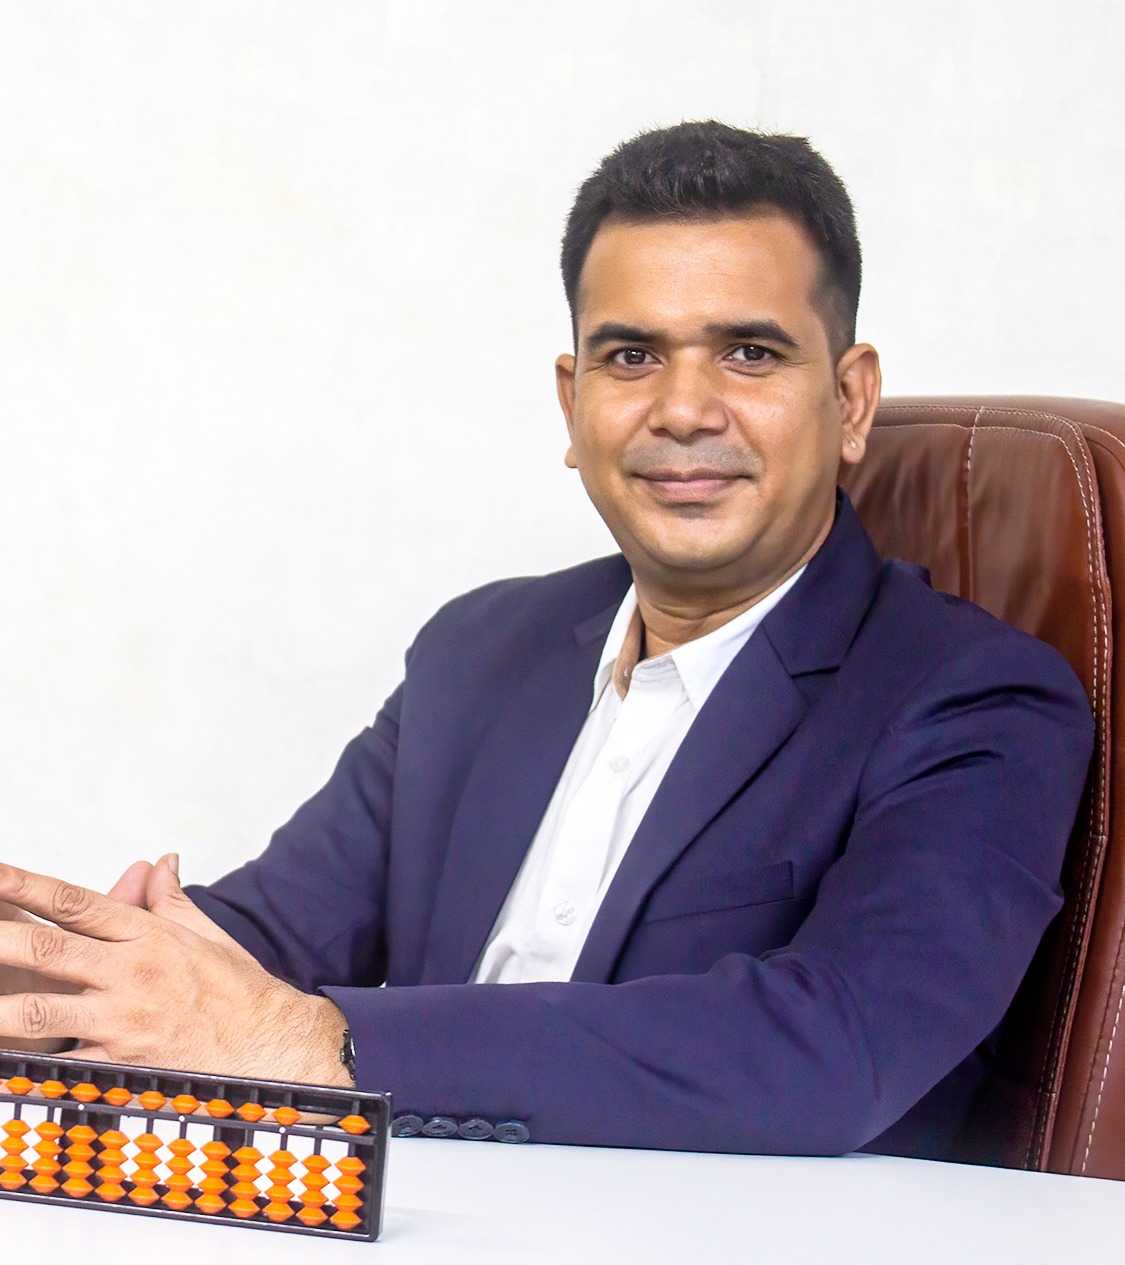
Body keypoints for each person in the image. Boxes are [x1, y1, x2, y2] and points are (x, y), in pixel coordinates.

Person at [0, 122, 1093, 1158]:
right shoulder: (478, 651)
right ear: (573, 405)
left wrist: (326, 1043)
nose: (683, 409)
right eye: (632, 355)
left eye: (749, 352)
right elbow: (257, 943)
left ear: (851, 402)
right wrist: (67, 981)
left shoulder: (976, 698)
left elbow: (835, 1044)